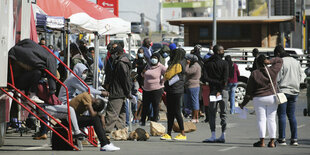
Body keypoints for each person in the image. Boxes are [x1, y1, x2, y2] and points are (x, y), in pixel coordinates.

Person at [240, 55, 283, 148]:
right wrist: (270, 61)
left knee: (261, 119)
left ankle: (262, 142)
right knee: (272, 119)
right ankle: (272, 142)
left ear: (257, 63)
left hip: (259, 98)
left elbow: (248, 92)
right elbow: (280, 60)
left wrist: (243, 104)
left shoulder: (254, 73)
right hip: (272, 97)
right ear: (266, 61)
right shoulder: (273, 70)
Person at [274, 45, 302, 146]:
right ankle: (294, 139)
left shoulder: (281, 62)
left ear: (278, 54)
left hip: (283, 91)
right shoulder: (296, 61)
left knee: (281, 115)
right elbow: (301, 76)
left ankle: (282, 138)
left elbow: (278, 78)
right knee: (292, 115)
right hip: (294, 91)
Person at [202, 45, 228, 143]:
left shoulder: (207, 63)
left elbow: (205, 78)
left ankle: (213, 135)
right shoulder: (225, 63)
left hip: (212, 91)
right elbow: (225, 79)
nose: (223, 51)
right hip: (222, 91)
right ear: (218, 51)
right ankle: (223, 135)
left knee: (212, 114)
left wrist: (215, 84)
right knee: (223, 113)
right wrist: (220, 89)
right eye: (222, 50)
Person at [160, 48, 187, 141]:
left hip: (176, 90)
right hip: (172, 90)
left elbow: (167, 75)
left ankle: (182, 133)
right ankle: (168, 133)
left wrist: (166, 74)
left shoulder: (178, 64)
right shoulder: (176, 63)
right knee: (170, 112)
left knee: (176, 111)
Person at [105, 45, 132, 133]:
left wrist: (128, 92)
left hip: (117, 91)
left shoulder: (120, 63)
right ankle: (121, 131)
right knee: (121, 112)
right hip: (121, 91)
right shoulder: (123, 62)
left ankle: (106, 131)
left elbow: (124, 79)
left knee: (112, 113)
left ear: (118, 53)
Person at [140, 53, 166, 125]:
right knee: (145, 105)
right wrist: (143, 72)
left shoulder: (161, 67)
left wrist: (163, 80)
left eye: (155, 58)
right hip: (146, 89)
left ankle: (155, 120)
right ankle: (143, 120)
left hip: (157, 89)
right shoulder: (148, 66)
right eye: (152, 58)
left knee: (155, 105)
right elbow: (142, 75)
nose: (153, 59)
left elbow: (167, 73)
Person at [184, 54, 201, 123]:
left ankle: (195, 117)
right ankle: (195, 117)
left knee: (194, 101)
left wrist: (187, 65)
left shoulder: (194, 66)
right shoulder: (197, 65)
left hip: (193, 85)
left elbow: (187, 71)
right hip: (194, 85)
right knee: (194, 101)